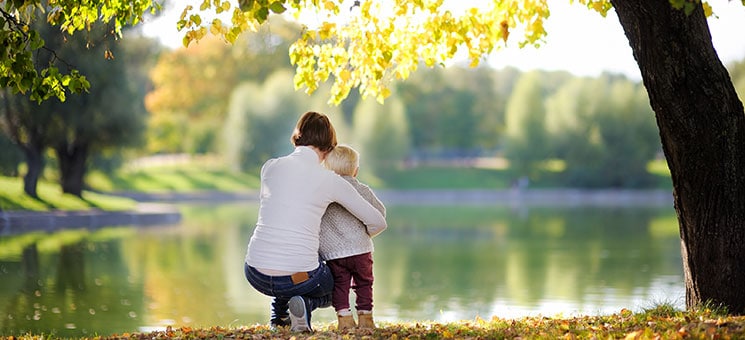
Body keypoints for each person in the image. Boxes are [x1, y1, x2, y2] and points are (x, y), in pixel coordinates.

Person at [243, 111, 387, 333]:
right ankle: (305, 305)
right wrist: (359, 238)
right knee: (338, 283)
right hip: (298, 278)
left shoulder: (270, 167)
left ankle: (280, 319)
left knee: (290, 250)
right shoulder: (328, 180)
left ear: (297, 137)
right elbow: (377, 220)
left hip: (255, 272)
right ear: (330, 146)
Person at [319, 145, 387, 331]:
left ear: (327, 169)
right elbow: (380, 213)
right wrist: (364, 233)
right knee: (364, 283)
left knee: (340, 285)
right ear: (355, 170)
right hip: (361, 249)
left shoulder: (324, 192)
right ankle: (366, 318)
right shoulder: (363, 190)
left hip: (333, 252)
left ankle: (345, 320)